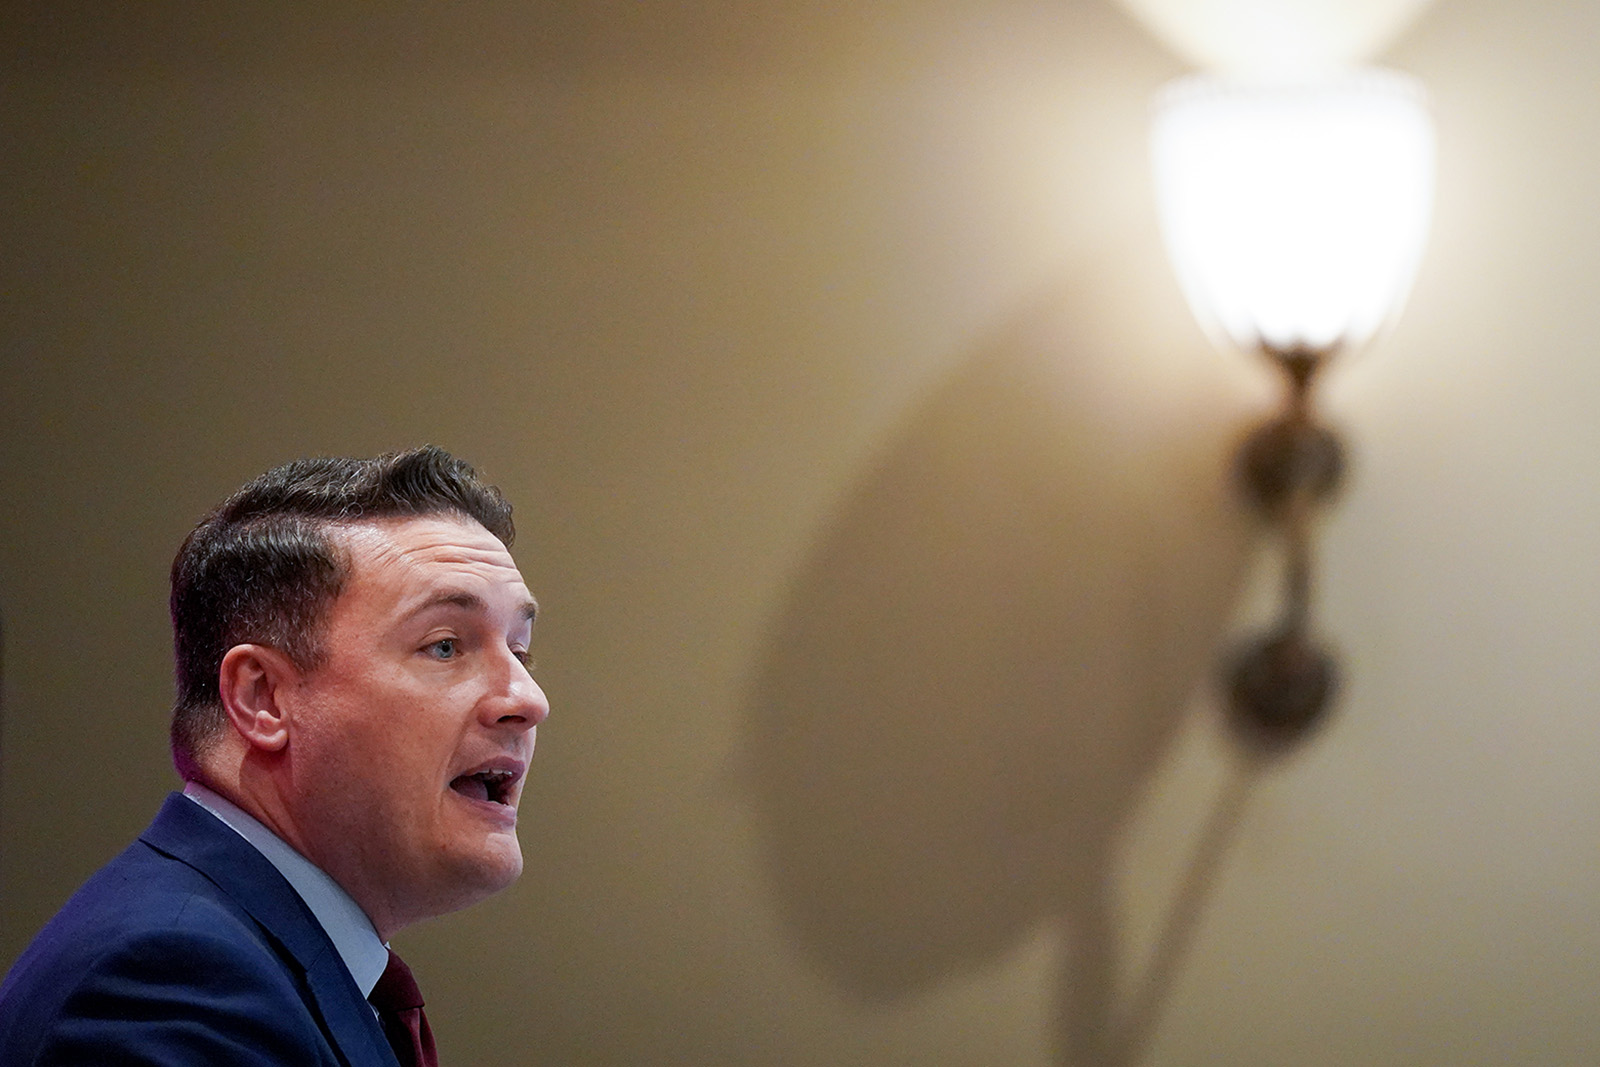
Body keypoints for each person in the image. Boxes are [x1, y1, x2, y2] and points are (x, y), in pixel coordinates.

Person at [0, 446, 550, 1066]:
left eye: (521, 651)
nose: (527, 700)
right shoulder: (169, 988)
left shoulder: (251, 956)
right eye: (445, 646)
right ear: (263, 698)